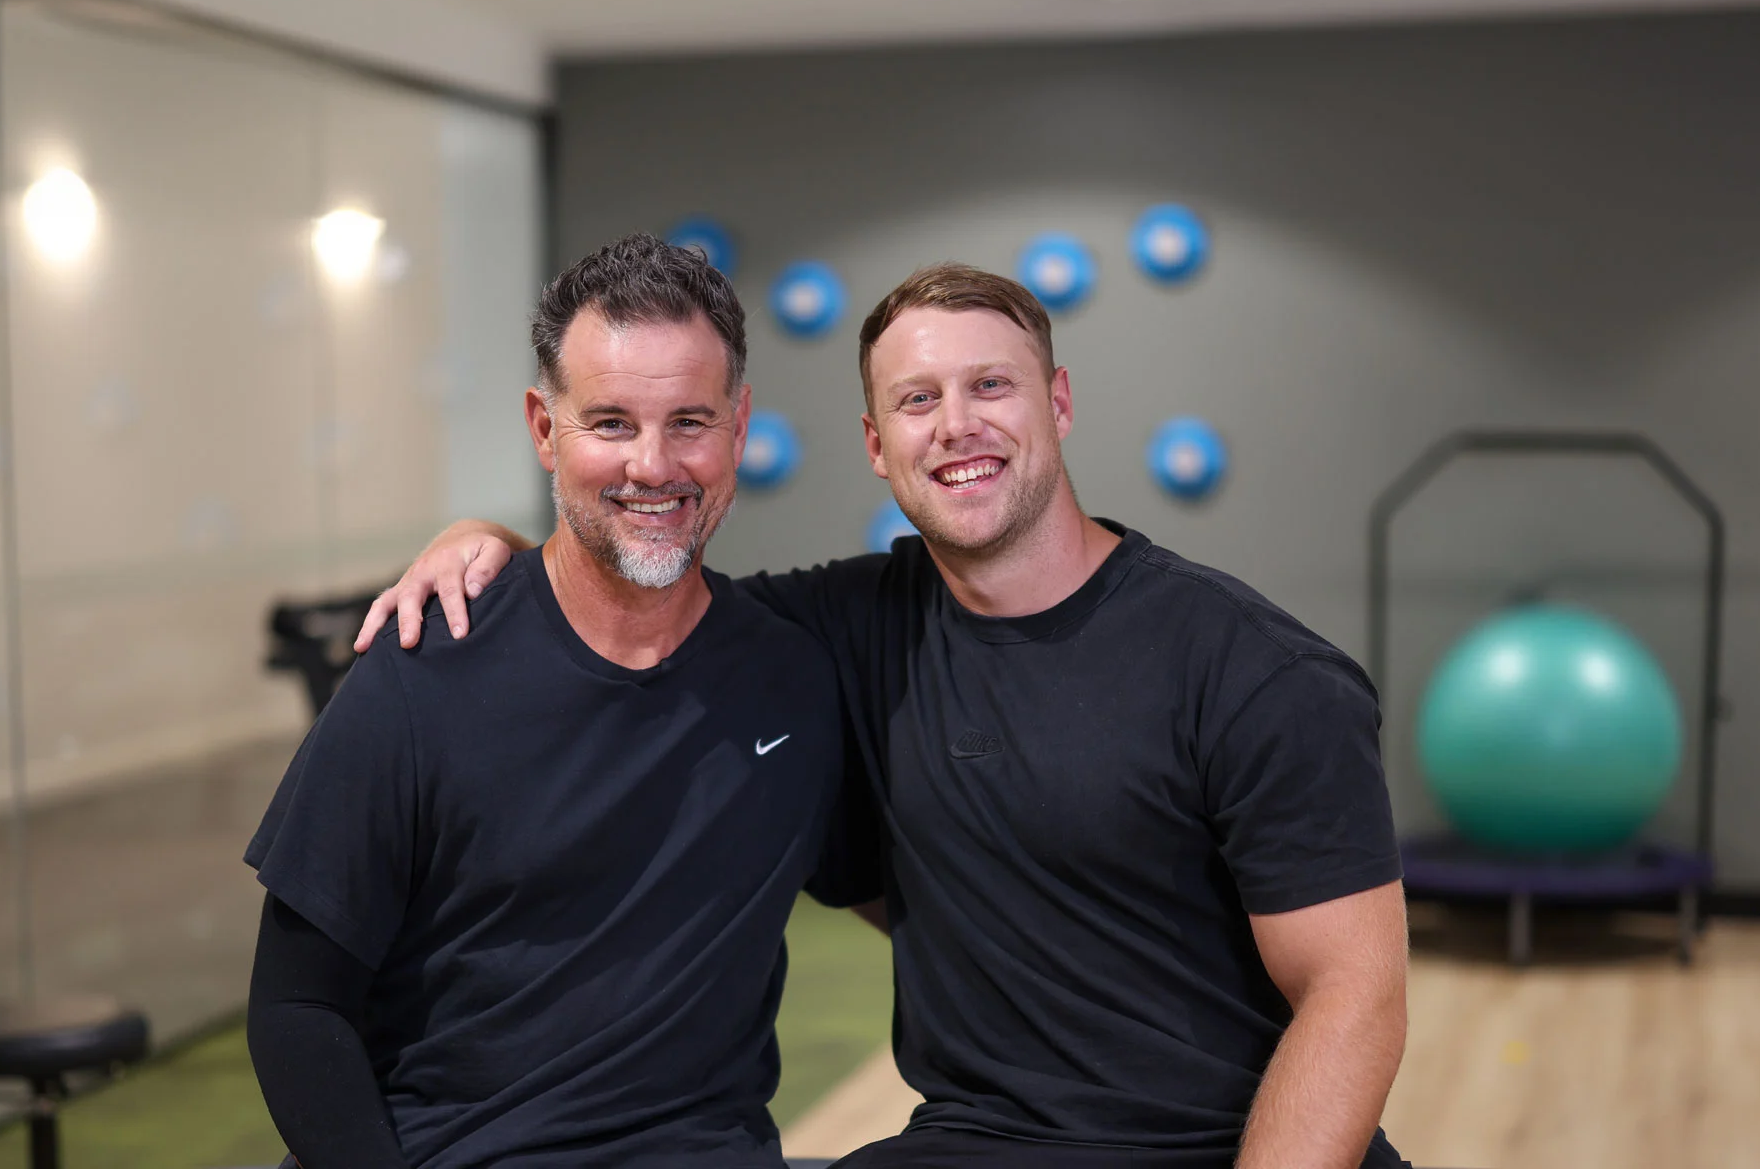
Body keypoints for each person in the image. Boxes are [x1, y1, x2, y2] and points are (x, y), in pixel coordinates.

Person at [360, 262, 1411, 1169]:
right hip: (980, 1139)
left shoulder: (1252, 670)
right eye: (917, 399)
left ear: (1060, 402)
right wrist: (484, 534)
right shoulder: (841, 629)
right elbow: (629, 591)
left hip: (1228, 1140)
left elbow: (1355, 993)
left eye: (990, 385)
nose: (957, 424)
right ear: (876, 442)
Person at [244, 234, 876, 1169]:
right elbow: (297, 1008)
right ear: (546, 428)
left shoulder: (793, 676)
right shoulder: (422, 669)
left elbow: (911, 893)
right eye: (611, 423)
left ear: (740, 429)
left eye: (690, 422)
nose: (653, 466)